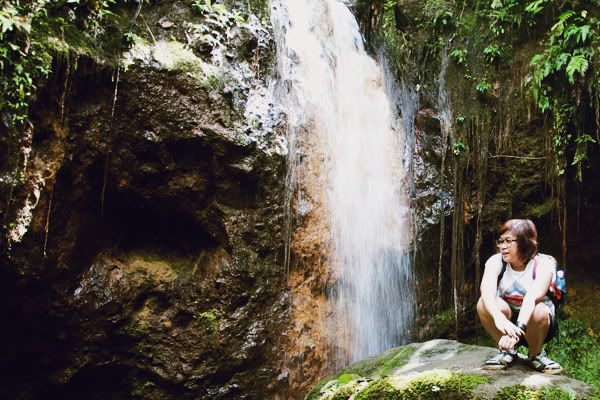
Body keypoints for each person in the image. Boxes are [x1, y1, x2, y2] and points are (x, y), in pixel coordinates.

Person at [477, 219, 562, 374]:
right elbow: (487, 292)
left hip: (537, 325)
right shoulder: (496, 262)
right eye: (501, 241)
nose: (503, 246)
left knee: (539, 310)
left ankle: (535, 355)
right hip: (506, 324)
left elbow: (532, 297)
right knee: (483, 303)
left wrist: (519, 329)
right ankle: (507, 352)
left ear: (524, 242)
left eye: (509, 241)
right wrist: (499, 318)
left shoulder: (544, 263)